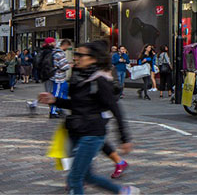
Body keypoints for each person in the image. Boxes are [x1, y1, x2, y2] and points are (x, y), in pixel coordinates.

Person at [37, 40, 137, 195]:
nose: (76, 57)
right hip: (76, 130)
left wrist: (124, 138)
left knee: (75, 178)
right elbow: (76, 104)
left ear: (92, 59)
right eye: (76, 54)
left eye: (80, 55)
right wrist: (54, 100)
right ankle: (123, 190)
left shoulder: (100, 80)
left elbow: (115, 109)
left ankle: (123, 190)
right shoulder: (79, 76)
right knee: (86, 176)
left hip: (92, 133)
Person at [51, 39, 73, 118]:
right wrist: (69, 65)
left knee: (61, 93)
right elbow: (63, 66)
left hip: (59, 77)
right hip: (58, 77)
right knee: (57, 94)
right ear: (65, 45)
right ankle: (53, 111)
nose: (67, 48)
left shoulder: (55, 52)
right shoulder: (59, 53)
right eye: (68, 47)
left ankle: (58, 109)